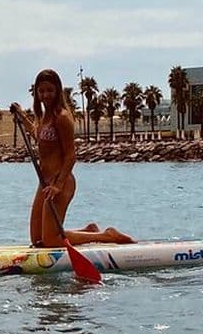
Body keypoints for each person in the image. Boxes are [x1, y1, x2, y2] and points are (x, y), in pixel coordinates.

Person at [10, 69, 134, 248]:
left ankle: (107, 235)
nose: (46, 95)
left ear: (57, 91)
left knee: (50, 241)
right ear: (37, 93)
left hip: (60, 182)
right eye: (41, 91)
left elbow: (70, 156)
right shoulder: (45, 116)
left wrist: (58, 186)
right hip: (44, 184)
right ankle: (88, 230)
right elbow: (38, 135)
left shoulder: (62, 118)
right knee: (37, 240)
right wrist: (21, 115)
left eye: (50, 90)